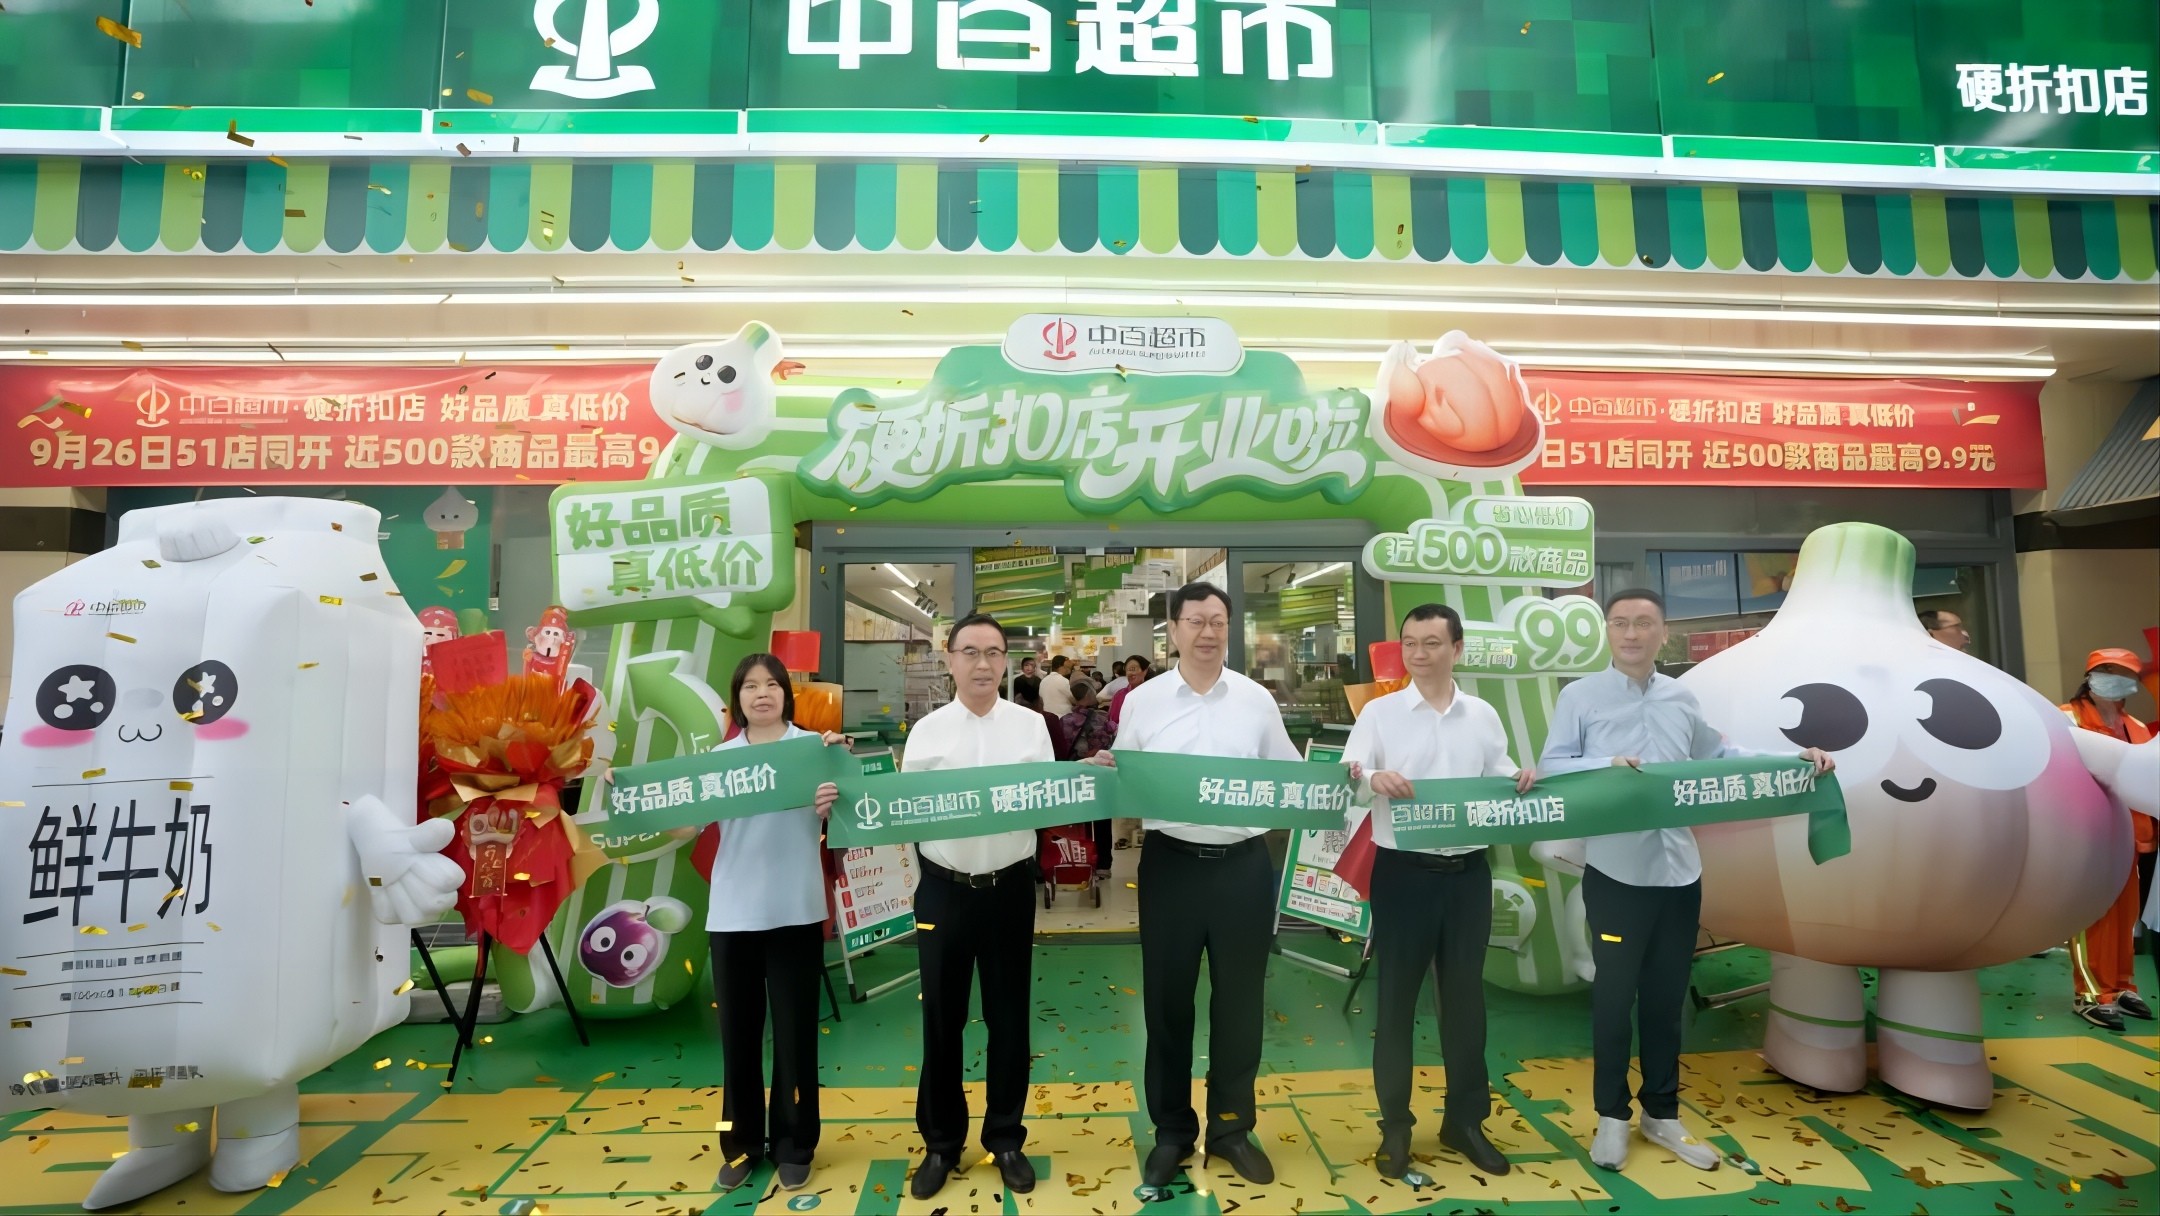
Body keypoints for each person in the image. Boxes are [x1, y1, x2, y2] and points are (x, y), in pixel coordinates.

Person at [1540, 588, 1834, 1174]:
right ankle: (1611, 1116)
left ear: (1662, 632)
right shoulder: (1580, 696)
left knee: (1666, 999)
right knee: (1613, 998)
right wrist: (1606, 765)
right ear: (1607, 631)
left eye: (1643, 623)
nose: (1631, 633)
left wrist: (1791, 760)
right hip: (1616, 872)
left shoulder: (1680, 697)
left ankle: (1662, 1113)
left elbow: (1719, 756)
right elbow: (1552, 766)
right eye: (1620, 623)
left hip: (1680, 873)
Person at [1084, 583, 1300, 1187]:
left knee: (1240, 1004)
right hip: (1171, 866)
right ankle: (1172, 1132)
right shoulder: (1143, 702)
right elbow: (1125, 771)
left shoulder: (1256, 700)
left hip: (1242, 868)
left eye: (1218, 621)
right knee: (1167, 1003)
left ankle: (1231, 1130)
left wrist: (1344, 777)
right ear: (1174, 630)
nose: (1208, 632)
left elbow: (1290, 775)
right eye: (1196, 621)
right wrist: (1105, 769)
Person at [1342, 604, 1529, 1179]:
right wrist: (1372, 778)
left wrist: (1519, 777)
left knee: (1466, 1002)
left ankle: (1465, 1122)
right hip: (1404, 875)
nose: (1418, 654)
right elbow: (1348, 774)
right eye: (1409, 643)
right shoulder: (1380, 713)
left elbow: (1500, 773)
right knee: (1396, 1004)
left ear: (1457, 649)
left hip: (1468, 874)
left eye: (1431, 642)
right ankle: (1395, 1127)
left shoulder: (1482, 715)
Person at [904, 613, 1052, 1201]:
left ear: (1006, 661)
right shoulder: (927, 733)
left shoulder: (1031, 728)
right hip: (943, 890)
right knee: (942, 1019)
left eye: (993, 652)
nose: (983, 664)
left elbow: (1051, 799)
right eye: (970, 652)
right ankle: (941, 1144)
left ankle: (1006, 1138)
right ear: (950, 660)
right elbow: (902, 812)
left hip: (1009, 890)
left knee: (1009, 1018)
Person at [707, 654, 846, 1194]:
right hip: (733, 913)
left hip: (795, 910)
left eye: (771, 684)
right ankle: (740, 1144)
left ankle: (795, 1143)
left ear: (787, 694)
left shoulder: (815, 749)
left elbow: (850, 818)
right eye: (750, 686)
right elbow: (681, 826)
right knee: (737, 1039)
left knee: (794, 1036)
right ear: (737, 698)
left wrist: (838, 792)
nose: (761, 694)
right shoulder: (718, 760)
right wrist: (628, 788)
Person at [2063, 647, 2156, 1032]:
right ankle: (2089, 993)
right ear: (2091, 675)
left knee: (2124, 914)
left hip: (2129, 835)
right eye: (2108, 670)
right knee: (2091, 914)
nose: (2117, 678)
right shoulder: (2065, 719)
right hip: (2086, 834)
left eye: (2125, 673)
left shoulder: (2136, 727)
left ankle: (2120, 986)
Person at [1062, 679, 1118, 872]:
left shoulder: (1066, 720)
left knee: (1081, 820)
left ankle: (1084, 861)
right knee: (1103, 819)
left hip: (1077, 775)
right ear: (1090, 695)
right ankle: (1104, 864)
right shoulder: (1103, 719)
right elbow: (1113, 742)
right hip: (1102, 775)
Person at [1013, 674, 1070, 761]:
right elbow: (1061, 751)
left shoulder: (1012, 719)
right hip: (1046, 765)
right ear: (1039, 701)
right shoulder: (1049, 719)